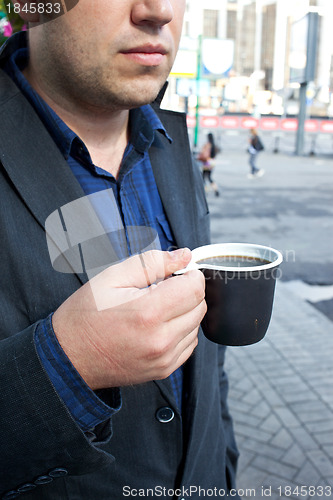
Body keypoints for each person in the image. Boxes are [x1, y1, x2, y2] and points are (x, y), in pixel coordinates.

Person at [0, 1, 240, 498]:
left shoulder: (171, 132)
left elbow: (208, 374)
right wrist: (70, 363)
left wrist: (222, 470)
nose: (159, 11)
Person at [198, 132, 220, 196]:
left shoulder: (208, 145)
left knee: (203, 177)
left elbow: (203, 154)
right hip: (212, 162)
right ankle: (216, 189)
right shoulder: (214, 145)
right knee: (209, 177)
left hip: (206, 162)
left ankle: (205, 191)